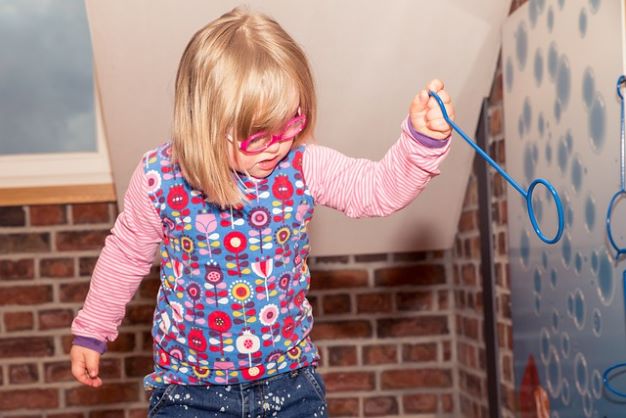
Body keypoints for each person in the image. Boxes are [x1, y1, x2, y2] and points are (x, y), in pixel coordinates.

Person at [70, 6, 455, 417]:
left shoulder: (303, 167)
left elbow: (377, 190)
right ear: (205, 123)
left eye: (290, 122)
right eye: (259, 134)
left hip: (289, 384)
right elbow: (125, 256)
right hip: (189, 391)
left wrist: (422, 143)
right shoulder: (160, 178)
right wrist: (92, 330)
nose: (277, 144)